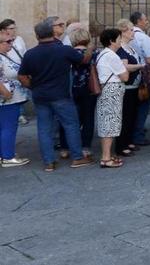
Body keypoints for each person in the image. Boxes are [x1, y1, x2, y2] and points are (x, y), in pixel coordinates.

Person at [18, 21, 95, 172]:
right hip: (61, 95)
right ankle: (77, 157)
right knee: (71, 125)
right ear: (52, 33)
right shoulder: (63, 50)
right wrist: (89, 49)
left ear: (37, 35)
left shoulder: (30, 54)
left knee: (44, 128)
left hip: (40, 96)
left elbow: (22, 77)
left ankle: (49, 162)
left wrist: (33, 86)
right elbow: (84, 60)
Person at [60, 28, 98, 158]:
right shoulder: (94, 53)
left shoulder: (68, 53)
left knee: (68, 119)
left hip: (71, 89)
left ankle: (64, 147)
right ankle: (85, 147)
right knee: (88, 118)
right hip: (89, 89)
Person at [94, 29, 129, 168]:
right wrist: (124, 66)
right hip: (112, 90)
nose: (121, 40)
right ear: (112, 41)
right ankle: (106, 157)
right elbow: (125, 76)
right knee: (110, 123)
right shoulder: (112, 56)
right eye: (119, 38)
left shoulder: (102, 54)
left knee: (106, 122)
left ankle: (106, 154)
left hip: (106, 90)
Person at [115, 20, 144, 158]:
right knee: (125, 116)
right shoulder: (121, 49)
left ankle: (128, 140)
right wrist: (140, 66)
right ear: (123, 32)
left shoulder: (129, 47)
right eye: (131, 30)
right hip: (126, 87)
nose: (133, 32)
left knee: (131, 115)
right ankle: (121, 145)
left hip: (133, 86)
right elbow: (124, 67)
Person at [0, 31, 30, 167]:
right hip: (7, 99)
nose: (11, 44)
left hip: (11, 98)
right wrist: (5, 92)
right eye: (8, 42)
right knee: (8, 127)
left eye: (12, 41)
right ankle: (8, 157)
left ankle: (4, 153)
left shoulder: (4, 56)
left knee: (5, 127)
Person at [129, 11, 150, 147]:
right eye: (145, 19)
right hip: (143, 75)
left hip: (130, 74)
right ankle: (138, 135)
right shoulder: (144, 38)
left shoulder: (127, 35)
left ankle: (133, 131)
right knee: (143, 105)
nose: (147, 22)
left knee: (132, 106)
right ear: (139, 21)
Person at [0, 19, 30, 126]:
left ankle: (20, 114)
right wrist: (6, 93)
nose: (14, 31)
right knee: (8, 128)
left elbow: (24, 53)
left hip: (18, 72)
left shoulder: (19, 39)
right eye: (11, 28)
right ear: (3, 30)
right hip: (6, 84)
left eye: (15, 28)